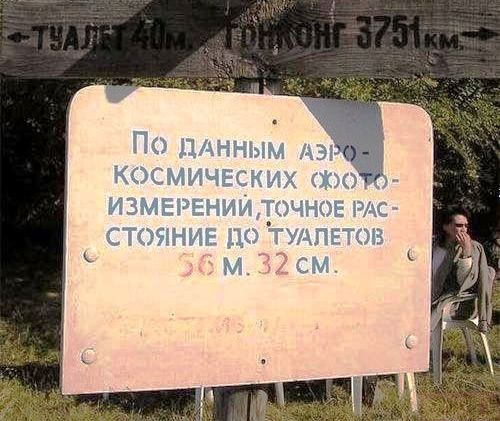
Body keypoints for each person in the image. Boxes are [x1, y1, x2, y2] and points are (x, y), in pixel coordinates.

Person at [430, 207, 494, 333]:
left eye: (466, 226)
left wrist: (466, 253)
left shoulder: (474, 247)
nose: (464, 229)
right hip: (427, 294)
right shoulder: (434, 245)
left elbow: (465, 283)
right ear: (445, 227)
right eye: (459, 225)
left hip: (454, 302)